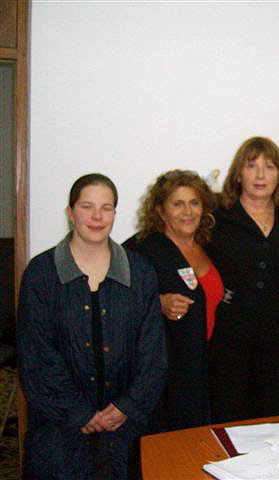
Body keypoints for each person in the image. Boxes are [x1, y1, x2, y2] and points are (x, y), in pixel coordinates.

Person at [17, 174, 167, 479]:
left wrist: (127, 406)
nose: (97, 217)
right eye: (87, 206)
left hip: (126, 431)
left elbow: (153, 354)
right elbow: (36, 357)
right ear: (70, 212)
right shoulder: (41, 274)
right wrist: (80, 413)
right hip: (59, 433)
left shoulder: (140, 272)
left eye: (107, 208)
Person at [206, 136, 279, 423]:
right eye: (252, 166)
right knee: (228, 416)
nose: (261, 175)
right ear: (238, 174)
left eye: (269, 167)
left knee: (271, 419)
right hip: (229, 337)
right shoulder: (216, 215)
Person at [123, 170, 223, 431]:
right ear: (160, 211)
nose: (187, 211)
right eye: (177, 204)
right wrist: (158, 303)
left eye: (194, 202)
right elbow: (116, 303)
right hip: (165, 375)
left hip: (206, 367)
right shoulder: (141, 250)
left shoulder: (209, 246)